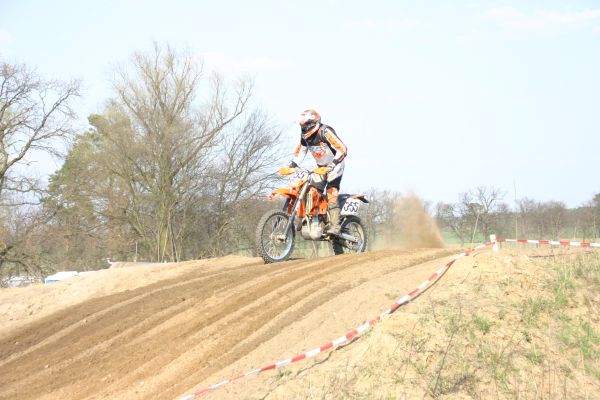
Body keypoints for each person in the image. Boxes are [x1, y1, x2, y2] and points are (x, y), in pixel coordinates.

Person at [288, 109, 347, 234]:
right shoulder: (305, 137)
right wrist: (292, 165)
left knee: (331, 192)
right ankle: (313, 217)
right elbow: (301, 152)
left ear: (313, 123)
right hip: (321, 167)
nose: (304, 128)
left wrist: (333, 164)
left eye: (306, 125)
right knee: (309, 189)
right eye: (302, 125)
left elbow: (342, 149)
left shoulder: (325, 131)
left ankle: (335, 226)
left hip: (336, 165)